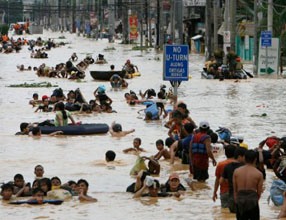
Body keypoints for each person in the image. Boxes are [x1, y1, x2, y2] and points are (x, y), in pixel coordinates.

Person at [233, 150, 263, 220]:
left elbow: (235, 190)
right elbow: (259, 192)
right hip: (252, 200)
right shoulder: (259, 174)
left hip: (240, 199)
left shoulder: (236, 171)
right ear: (255, 159)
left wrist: (236, 201)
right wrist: (255, 201)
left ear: (244, 158)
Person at [220, 147, 246, 213]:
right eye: (244, 157)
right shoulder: (244, 167)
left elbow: (221, 181)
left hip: (231, 196)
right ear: (240, 156)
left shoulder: (227, 166)